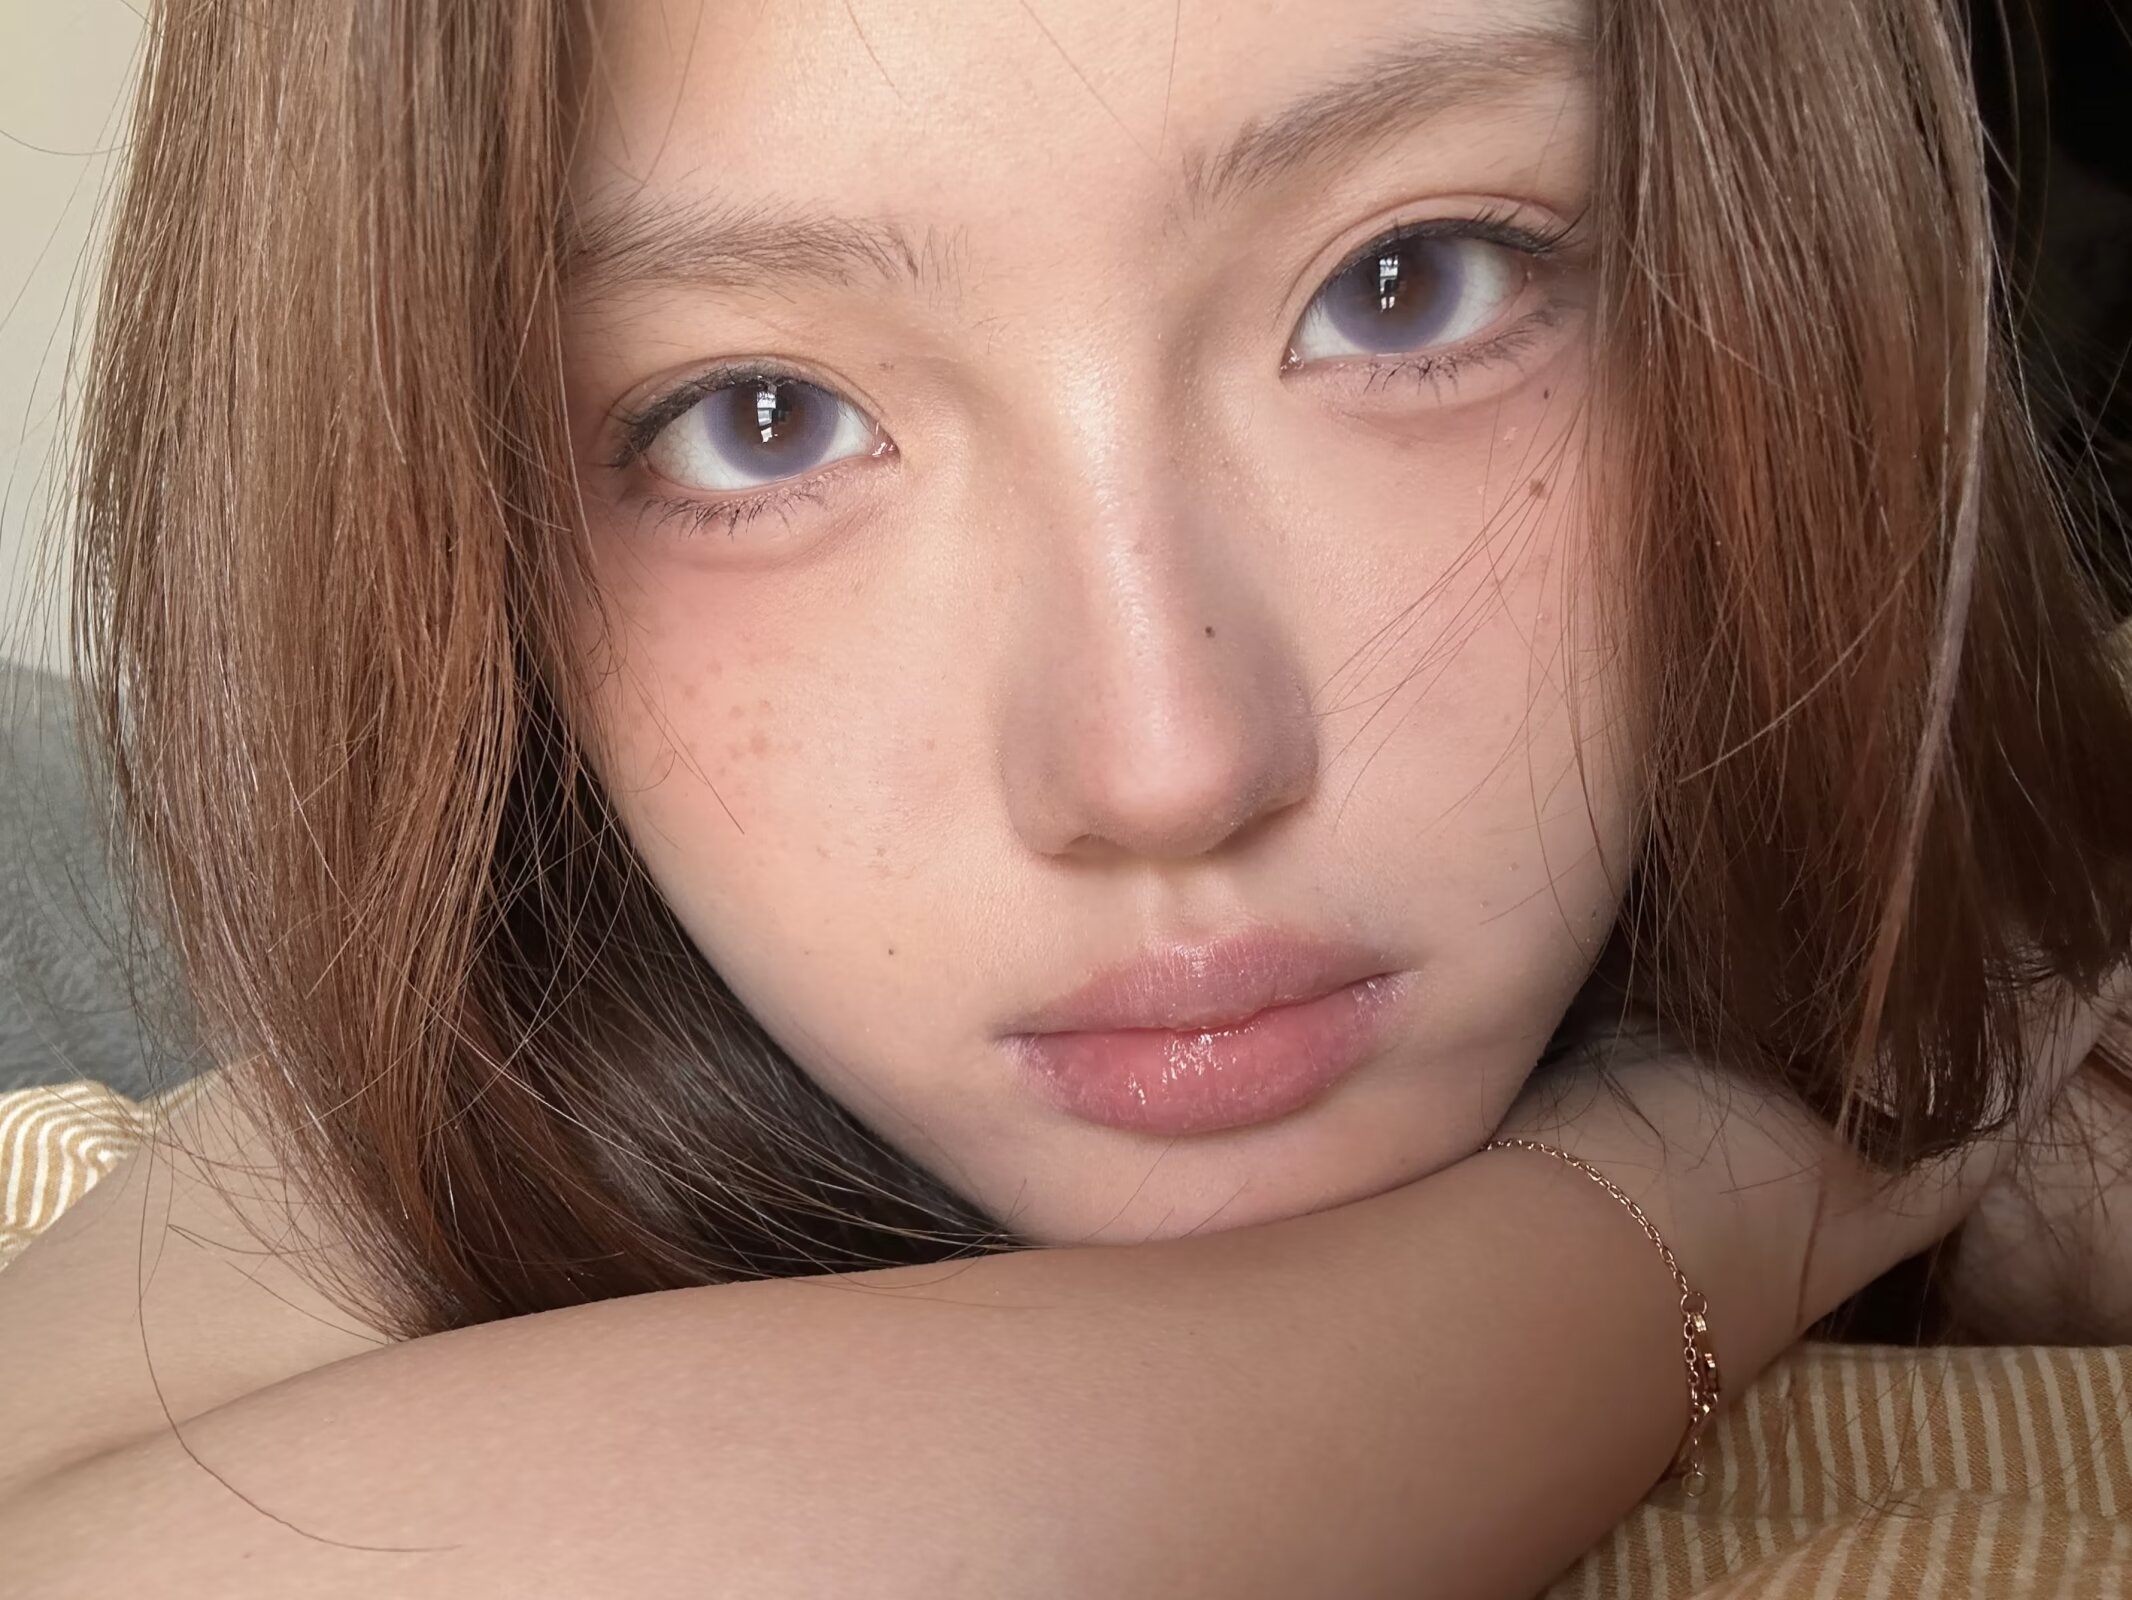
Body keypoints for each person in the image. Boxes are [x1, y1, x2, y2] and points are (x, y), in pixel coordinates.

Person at [1, 0, 2128, 1594]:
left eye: (1408, 282)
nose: (1162, 764)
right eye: (757, 416)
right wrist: (1761, 1162)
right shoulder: (511, 1078)